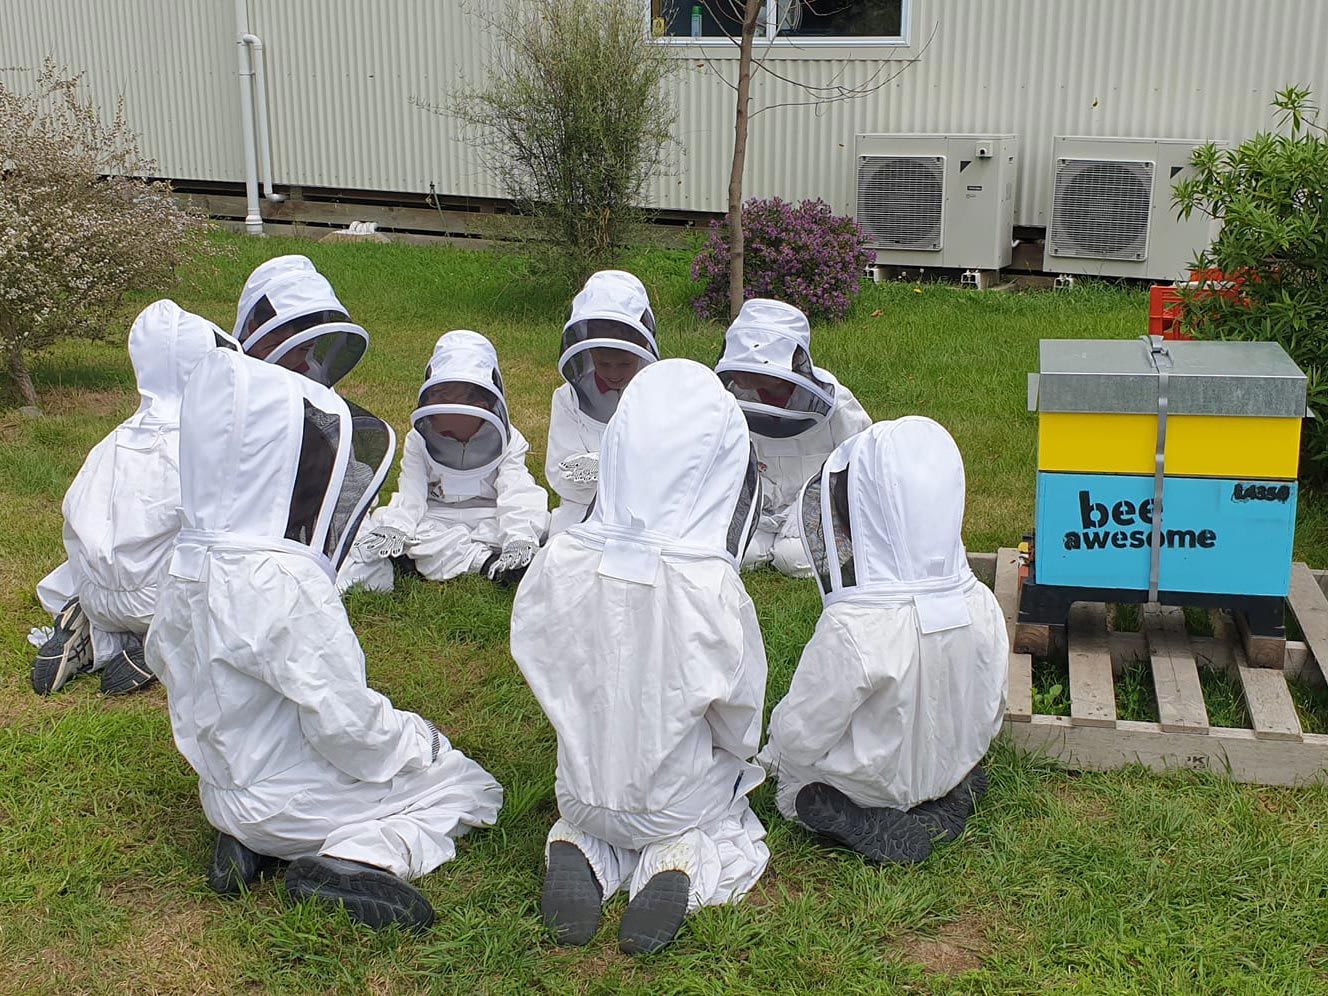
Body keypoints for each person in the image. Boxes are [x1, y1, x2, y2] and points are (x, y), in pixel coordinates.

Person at [146, 349, 503, 931]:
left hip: (223, 791)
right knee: (471, 789)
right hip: (295, 803)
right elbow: (348, 728)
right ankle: (353, 860)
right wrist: (422, 744)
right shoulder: (284, 582)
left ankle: (248, 843)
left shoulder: (187, 559)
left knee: (287, 785)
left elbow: (165, 658)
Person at [511, 359, 770, 955]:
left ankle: (579, 843)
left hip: (578, 783)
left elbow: (538, 653)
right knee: (712, 805)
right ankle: (677, 861)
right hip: (675, 801)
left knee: (592, 809)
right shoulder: (712, 588)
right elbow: (740, 718)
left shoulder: (562, 557)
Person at [758, 418, 1007, 864]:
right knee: (946, 762)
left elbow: (803, 731)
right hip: (954, 758)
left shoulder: (856, 627)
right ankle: (951, 792)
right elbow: (992, 703)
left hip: (865, 780)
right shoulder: (981, 602)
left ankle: (856, 814)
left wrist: (776, 745)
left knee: (792, 780)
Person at [31, 300, 240, 696]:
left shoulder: (111, 442)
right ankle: (160, 644)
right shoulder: (203, 446)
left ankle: (99, 635)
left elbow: (76, 523)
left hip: (95, 595)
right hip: (160, 603)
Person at [339, 330, 548, 591]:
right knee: (384, 524)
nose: (443, 430)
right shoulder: (419, 439)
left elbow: (516, 491)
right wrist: (397, 528)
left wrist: (518, 537)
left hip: (490, 517)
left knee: (541, 524)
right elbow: (411, 493)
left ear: (483, 406)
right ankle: (485, 563)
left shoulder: (510, 440)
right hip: (436, 519)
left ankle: (475, 559)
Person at [714, 298, 871, 578]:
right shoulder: (734, 398)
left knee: (793, 559)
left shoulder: (837, 403)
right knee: (742, 556)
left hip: (817, 502)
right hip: (761, 501)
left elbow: (860, 458)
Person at [546, 270, 659, 535]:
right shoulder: (567, 398)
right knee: (562, 548)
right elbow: (560, 473)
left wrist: (598, 464)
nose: (614, 372)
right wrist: (618, 465)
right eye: (604, 363)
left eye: (624, 363)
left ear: (642, 346)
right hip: (582, 506)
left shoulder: (659, 392)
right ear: (588, 349)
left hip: (644, 506)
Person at [233, 254, 369, 387]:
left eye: (303, 349)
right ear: (252, 329)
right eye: (278, 347)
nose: (292, 360)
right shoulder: (232, 376)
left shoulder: (311, 374)